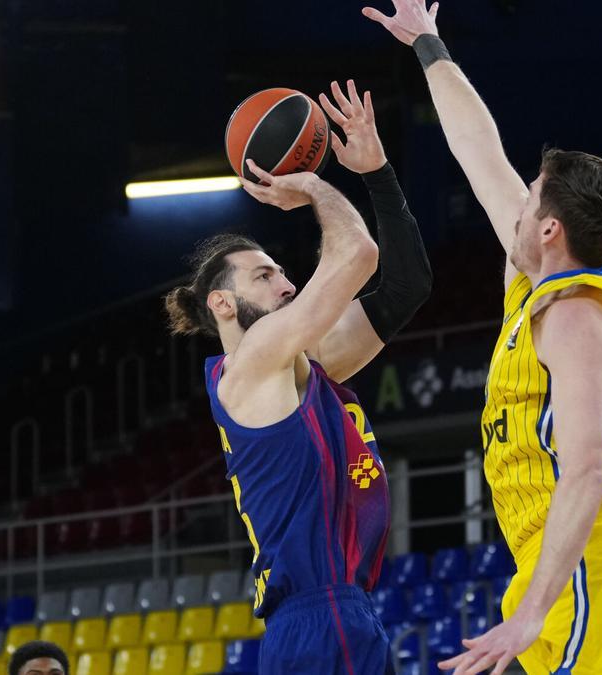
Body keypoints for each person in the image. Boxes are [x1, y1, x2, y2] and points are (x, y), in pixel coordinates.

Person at [365, 3, 602, 674]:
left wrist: (535, 608)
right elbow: (478, 151)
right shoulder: (534, 281)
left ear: (549, 230)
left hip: (596, 570)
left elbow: (589, 470)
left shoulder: (575, 315)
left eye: (531, 196)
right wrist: (429, 45)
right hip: (559, 568)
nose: (517, 200)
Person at [164, 80, 430, 675]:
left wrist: (380, 172)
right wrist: (310, 183)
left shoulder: (300, 367)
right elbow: (358, 252)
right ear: (222, 307)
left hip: (338, 614)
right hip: (320, 617)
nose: (286, 284)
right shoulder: (253, 362)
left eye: (282, 272)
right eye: (263, 277)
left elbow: (407, 287)